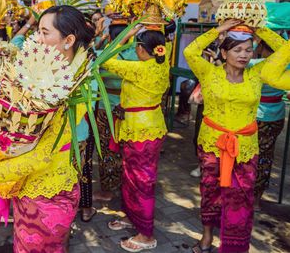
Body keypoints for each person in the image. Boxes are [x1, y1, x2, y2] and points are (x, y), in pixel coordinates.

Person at [0, 5, 95, 253]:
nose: (38, 39)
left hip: (49, 197)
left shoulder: (76, 90)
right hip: (26, 188)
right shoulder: (39, 76)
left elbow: (42, 156)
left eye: (45, 33)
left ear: (68, 40)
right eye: (37, 31)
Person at [184, 20, 285, 253]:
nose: (244, 55)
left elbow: (285, 50)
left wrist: (259, 29)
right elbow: (190, 50)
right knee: (210, 192)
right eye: (237, 49)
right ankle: (207, 236)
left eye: (248, 49)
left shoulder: (257, 73)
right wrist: (219, 29)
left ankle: (233, 248)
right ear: (224, 51)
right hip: (211, 144)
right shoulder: (208, 72)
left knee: (240, 200)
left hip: (245, 147)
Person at [102, 24, 170, 252]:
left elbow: (105, 58)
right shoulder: (161, 65)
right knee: (132, 178)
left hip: (142, 133)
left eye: (137, 46)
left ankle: (146, 235)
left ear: (141, 49)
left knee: (141, 181)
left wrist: (126, 36)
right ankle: (134, 219)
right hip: (144, 128)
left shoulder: (140, 69)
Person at [93, 19, 138, 203]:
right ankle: (129, 186)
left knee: (107, 151)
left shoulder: (105, 53)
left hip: (106, 109)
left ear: (110, 36)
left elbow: (94, 58)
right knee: (127, 148)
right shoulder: (138, 53)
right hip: (129, 108)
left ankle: (108, 190)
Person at [250, 40, 287, 209]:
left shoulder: (255, 64)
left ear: (263, 48)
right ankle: (257, 200)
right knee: (266, 156)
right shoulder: (285, 66)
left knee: (249, 157)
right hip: (277, 115)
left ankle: (246, 196)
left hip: (258, 116)